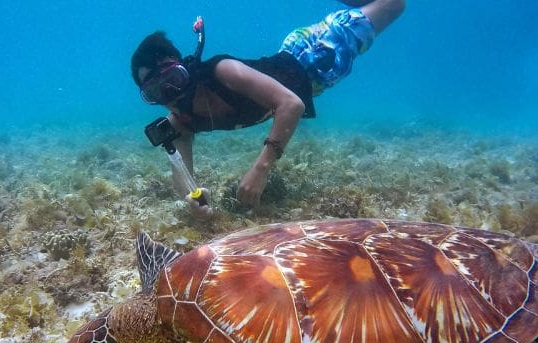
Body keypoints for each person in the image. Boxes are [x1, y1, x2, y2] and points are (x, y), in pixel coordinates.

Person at [132, 0, 406, 218]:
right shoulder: (182, 121)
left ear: (186, 68)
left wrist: (260, 169)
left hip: (316, 54)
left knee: (394, 4)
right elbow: (183, 179)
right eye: (156, 92)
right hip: (300, 65)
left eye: (173, 80)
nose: (172, 95)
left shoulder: (221, 71)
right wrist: (191, 199)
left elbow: (291, 104)